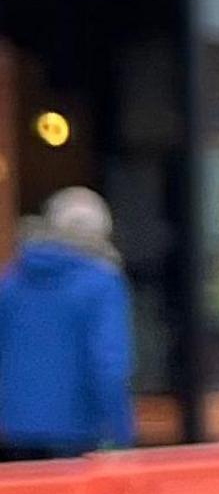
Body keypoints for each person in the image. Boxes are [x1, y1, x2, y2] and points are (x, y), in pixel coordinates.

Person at [0, 188, 136, 462]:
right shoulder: (102, 283)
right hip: (77, 432)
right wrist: (121, 432)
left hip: (12, 429)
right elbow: (109, 365)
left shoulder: (12, 281)